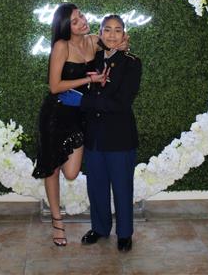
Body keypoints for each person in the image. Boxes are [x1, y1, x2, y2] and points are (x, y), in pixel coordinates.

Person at [59, 14, 142, 252]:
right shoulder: (92, 59)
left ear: (124, 34)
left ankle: (124, 234)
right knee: (96, 186)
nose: (112, 35)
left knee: (122, 187)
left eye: (117, 30)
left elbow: (121, 103)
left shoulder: (132, 63)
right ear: (100, 33)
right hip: (94, 136)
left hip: (119, 137)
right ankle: (100, 228)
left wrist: (82, 102)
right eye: (107, 30)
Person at [31, 3, 107, 247]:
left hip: (80, 115)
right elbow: (54, 86)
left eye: (81, 16)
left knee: (72, 172)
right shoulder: (61, 46)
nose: (82, 21)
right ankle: (57, 222)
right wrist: (88, 79)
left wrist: (123, 45)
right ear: (66, 27)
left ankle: (57, 216)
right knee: (52, 168)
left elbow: (115, 44)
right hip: (56, 114)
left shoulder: (94, 41)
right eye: (75, 21)